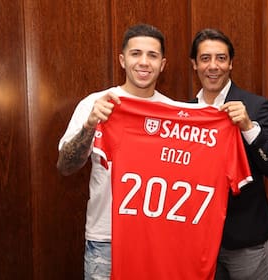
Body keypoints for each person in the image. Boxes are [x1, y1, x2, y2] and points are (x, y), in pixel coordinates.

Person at [56, 23, 172, 280]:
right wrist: (90, 125)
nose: (143, 62)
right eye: (135, 53)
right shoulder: (95, 104)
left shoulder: (174, 114)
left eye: (152, 55)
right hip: (106, 240)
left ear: (162, 64)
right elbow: (65, 166)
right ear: (122, 60)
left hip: (158, 240)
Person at [189, 28, 268, 280]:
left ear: (231, 64)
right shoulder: (184, 114)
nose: (213, 66)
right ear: (194, 64)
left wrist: (249, 128)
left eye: (221, 58)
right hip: (198, 242)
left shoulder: (255, 106)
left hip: (247, 242)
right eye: (205, 58)